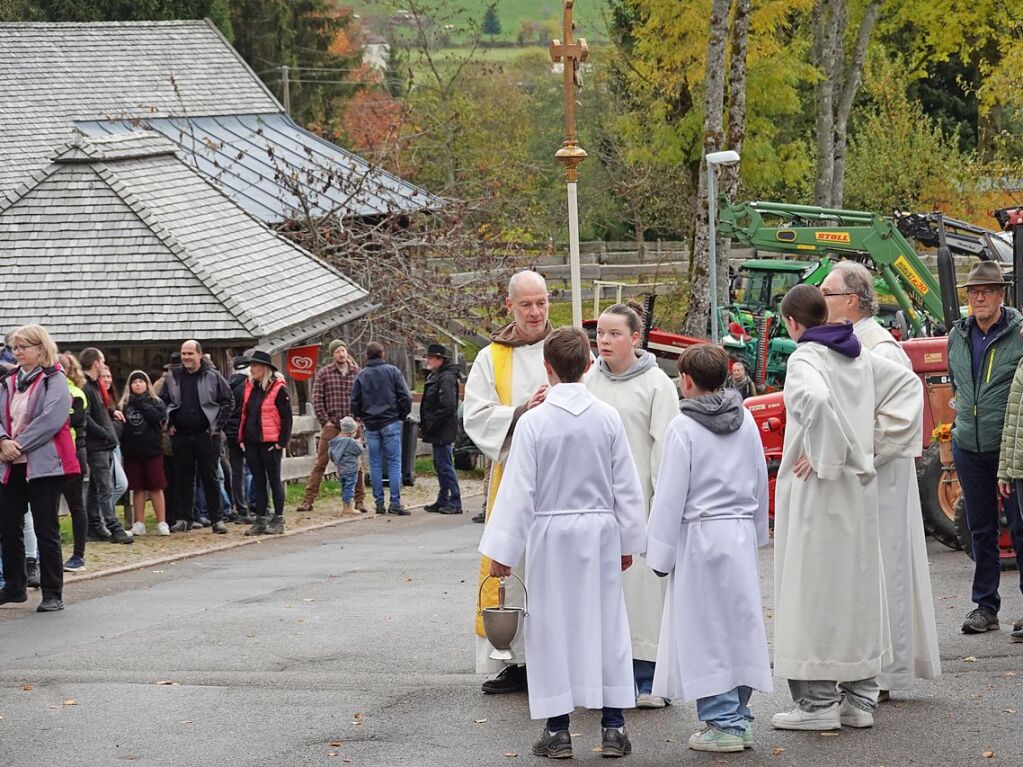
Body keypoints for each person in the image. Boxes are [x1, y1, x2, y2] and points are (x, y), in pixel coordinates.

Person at [479, 327, 646, 760]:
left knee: (550, 627)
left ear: (547, 369)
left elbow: (519, 491)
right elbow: (625, 485)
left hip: (551, 534)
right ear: (589, 364)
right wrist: (628, 538)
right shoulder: (607, 417)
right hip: (599, 530)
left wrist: (502, 552)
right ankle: (613, 726)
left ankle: (558, 731)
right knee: (606, 623)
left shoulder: (534, 423)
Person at [771, 285, 922, 731]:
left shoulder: (805, 358)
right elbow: (907, 386)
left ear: (793, 324)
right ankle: (859, 700)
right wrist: (864, 452)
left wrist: (826, 456)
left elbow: (815, 400)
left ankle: (816, 705)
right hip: (857, 491)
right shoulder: (857, 354)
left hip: (820, 493)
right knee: (856, 589)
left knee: (814, 591)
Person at [821, 261, 941, 694]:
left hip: (878, 483)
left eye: (828, 293)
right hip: (854, 480)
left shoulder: (880, 349)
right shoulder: (845, 342)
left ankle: (882, 672)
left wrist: (845, 449)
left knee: (882, 570)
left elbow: (901, 421)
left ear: (851, 300)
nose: (821, 300)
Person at [645, 344, 771, 752]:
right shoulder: (746, 419)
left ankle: (724, 723)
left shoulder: (683, 427)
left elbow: (670, 495)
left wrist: (659, 554)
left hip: (700, 537)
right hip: (736, 533)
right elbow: (757, 476)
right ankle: (740, 713)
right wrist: (756, 533)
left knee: (706, 631)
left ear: (686, 380)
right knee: (739, 626)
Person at [464, 270, 554, 694]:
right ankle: (514, 659)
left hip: (562, 479)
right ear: (510, 306)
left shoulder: (570, 349)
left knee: (555, 567)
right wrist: (521, 411)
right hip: (513, 473)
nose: (535, 312)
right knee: (511, 564)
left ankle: (558, 654)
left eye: (541, 302)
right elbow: (476, 416)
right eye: (526, 305)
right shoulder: (492, 357)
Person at [586, 302, 679, 707]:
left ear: (635, 338)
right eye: (600, 334)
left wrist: (660, 503)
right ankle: (604, 675)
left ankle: (647, 677)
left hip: (640, 502)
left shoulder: (657, 384)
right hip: (596, 502)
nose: (604, 341)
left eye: (614, 334)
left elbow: (665, 447)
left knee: (642, 593)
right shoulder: (589, 381)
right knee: (603, 592)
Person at [946, 261, 1023, 634]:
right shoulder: (957, 336)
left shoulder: (1018, 333)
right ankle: (985, 606)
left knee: (1021, 528)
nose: (979, 297)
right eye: (974, 292)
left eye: (987, 291)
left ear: (1001, 295)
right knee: (980, 529)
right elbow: (958, 388)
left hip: (1007, 446)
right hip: (968, 445)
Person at [0, 324, 80, 612]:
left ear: (40, 348)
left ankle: (52, 592)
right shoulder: (8, 380)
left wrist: (17, 445)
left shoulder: (53, 378)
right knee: (8, 525)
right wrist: (2, 440)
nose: (17, 352)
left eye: (23, 347)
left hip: (44, 466)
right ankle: (14, 586)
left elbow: (52, 419)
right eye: (14, 348)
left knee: (46, 528)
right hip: (11, 465)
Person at [160, 340, 234, 534]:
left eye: (190, 354)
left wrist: (217, 426)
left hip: (207, 435)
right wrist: (168, 422)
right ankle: (185, 518)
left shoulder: (213, 376)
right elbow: (162, 401)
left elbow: (228, 401)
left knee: (210, 477)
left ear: (199, 355)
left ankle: (217, 519)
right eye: (184, 354)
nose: (186, 357)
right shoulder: (174, 377)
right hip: (181, 435)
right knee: (184, 478)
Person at [300, 340, 365, 513]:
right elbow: (317, 398)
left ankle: (359, 500)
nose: (341, 354)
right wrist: (325, 420)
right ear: (333, 355)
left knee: (356, 464)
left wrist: (358, 420)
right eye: (337, 352)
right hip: (332, 424)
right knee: (321, 462)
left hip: (352, 425)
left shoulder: (357, 373)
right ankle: (308, 500)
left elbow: (363, 397)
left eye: (343, 351)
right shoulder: (324, 373)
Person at [351, 342, 412, 516]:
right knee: (394, 462)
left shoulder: (361, 376)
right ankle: (395, 501)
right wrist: (401, 414)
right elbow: (405, 396)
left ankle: (379, 502)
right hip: (390, 421)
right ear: (382, 354)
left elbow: (354, 402)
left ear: (367, 356)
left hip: (371, 424)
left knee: (375, 463)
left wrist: (361, 416)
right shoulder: (392, 372)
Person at [79, 348, 132, 544]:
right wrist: (104, 433)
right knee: (105, 487)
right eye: (101, 361)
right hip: (98, 444)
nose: (103, 364)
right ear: (95, 364)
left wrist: (111, 413)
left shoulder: (94, 386)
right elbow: (86, 417)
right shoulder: (86, 387)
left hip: (104, 442)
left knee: (96, 487)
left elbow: (98, 411)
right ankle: (113, 525)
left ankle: (94, 525)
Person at [238, 350, 293, 536]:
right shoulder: (250, 387)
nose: (251, 369)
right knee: (258, 480)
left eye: (255, 366)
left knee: (274, 479)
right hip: (252, 440)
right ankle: (260, 519)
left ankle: (278, 518)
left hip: (270, 441)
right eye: (251, 366)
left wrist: (281, 442)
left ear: (265, 368)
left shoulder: (278, 388)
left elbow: (287, 418)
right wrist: (242, 438)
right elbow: (246, 413)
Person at [119, 371, 169, 536]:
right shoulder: (125, 404)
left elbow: (158, 418)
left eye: (141, 381)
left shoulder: (155, 402)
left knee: (156, 486)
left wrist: (142, 403)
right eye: (134, 382)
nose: (138, 384)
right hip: (133, 452)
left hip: (152, 449)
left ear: (147, 384)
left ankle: (161, 521)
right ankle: (138, 522)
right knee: (137, 488)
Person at [421, 343, 463, 515]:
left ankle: (455, 500)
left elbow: (448, 405)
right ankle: (443, 498)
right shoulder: (438, 375)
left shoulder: (445, 378)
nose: (427, 360)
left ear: (439, 359)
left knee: (445, 465)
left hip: (442, 428)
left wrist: (432, 422)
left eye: (430, 358)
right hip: (438, 428)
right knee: (440, 465)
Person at [59, 352, 89, 572]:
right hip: (48, 456)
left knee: (76, 505)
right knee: (47, 508)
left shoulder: (76, 393)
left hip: (73, 453)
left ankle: (78, 556)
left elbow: (69, 420)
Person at [225, 355, 254, 524]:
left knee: (236, 471)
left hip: (230, 432)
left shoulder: (228, 385)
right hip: (246, 432)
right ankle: (253, 505)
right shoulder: (248, 386)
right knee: (253, 470)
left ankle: (240, 507)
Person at [328, 417, 364, 517]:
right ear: (352, 432)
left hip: (341, 469)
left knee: (344, 487)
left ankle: (345, 505)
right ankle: (349, 507)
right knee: (350, 488)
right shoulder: (351, 442)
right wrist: (358, 442)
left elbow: (330, 454)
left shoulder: (335, 442)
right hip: (351, 469)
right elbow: (359, 450)